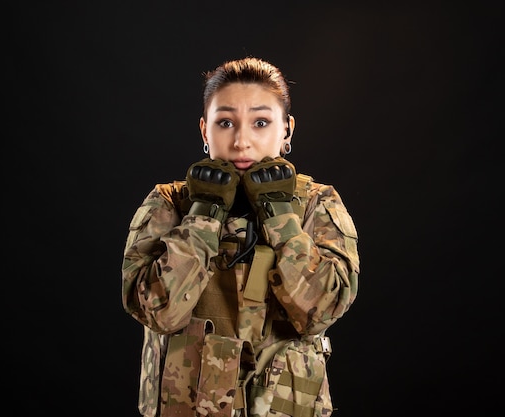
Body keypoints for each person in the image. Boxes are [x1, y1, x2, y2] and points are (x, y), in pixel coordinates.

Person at [121, 57, 360, 417]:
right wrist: (203, 216)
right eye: (225, 122)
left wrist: (279, 217)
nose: (241, 141)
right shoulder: (170, 203)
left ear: (286, 130)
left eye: (260, 122)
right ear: (205, 130)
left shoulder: (316, 204)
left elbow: (321, 312)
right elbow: (158, 313)